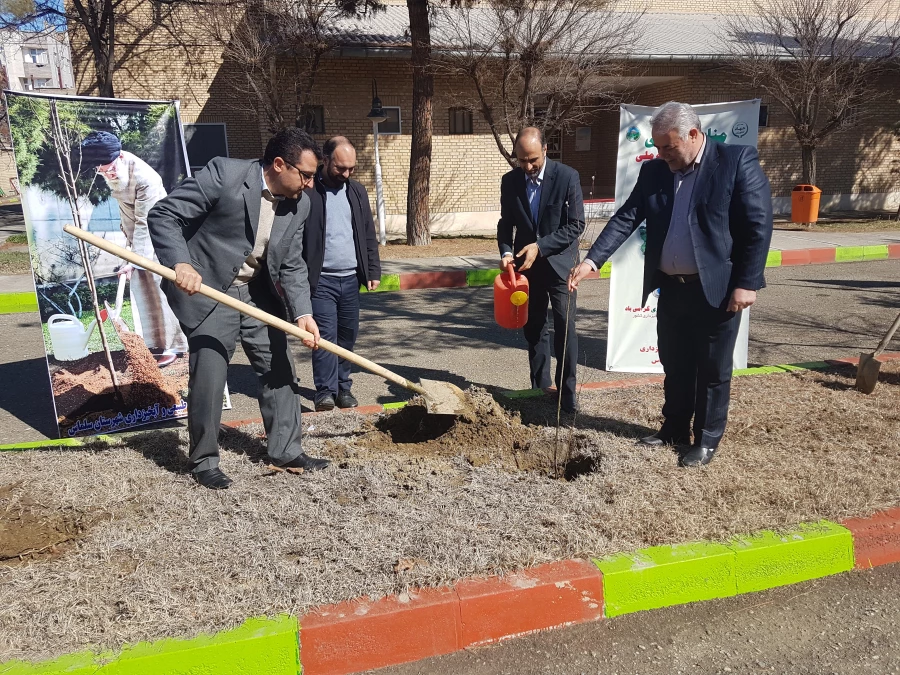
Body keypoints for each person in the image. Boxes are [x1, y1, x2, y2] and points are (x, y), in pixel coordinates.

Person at [569, 102, 773, 467]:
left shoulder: (735, 162)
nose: (661, 154)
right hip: (673, 288)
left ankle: (707, 439)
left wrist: (747, 283)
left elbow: (758, 226)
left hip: (719, 290)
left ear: (693, 135)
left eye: (668, 147)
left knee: (712, 369)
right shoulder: (655, 171)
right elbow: (626, 217)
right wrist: (591, 260)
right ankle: (675, 428)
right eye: (658, 147)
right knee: (676, 363)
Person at [147, 128, 330, 489]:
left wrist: (303, 314)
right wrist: (181, 262)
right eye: (305, 175)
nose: (310, 184)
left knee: (280, 366)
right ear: (279, 164)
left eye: (313, 176)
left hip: (256, 292)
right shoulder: (224, 174)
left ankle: (286, 450)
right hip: (210, 290)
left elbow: (291, 264)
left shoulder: (300, 204)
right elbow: (164, 215)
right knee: (211, 374)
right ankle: (203, 461)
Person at [81, 130, 188, 366]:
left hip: (160, 238)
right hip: (137, 239)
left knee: (161, 292)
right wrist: (129, 252)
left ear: (119, 157)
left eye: (109, 168)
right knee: (142, 290)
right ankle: (153, 343)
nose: (106, 173)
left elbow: (145, 223)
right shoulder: (116, 171)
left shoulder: (144, 178)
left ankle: (174, 346)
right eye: (101, 170)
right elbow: (128, 216)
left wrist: (134, 259)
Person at [497, 127, 585, 413]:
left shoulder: (567, 176)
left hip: (561, 266)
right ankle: (539, 386)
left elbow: (576, 225)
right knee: (534, 327)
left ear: (546, 149)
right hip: (526, 269)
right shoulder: (510, 182)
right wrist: (507, 252)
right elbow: (504, 224)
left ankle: (567, 393)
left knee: (565, 328)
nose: (528, 166)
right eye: (522, 160)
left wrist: (541, 246)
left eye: (533, 159)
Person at [303, 136, 381, 412]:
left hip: (350, 279)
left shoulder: (357, 191)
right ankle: (325, 391)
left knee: (347, 337)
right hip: (321, 280)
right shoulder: (310, 191)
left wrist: (372, 270)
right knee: (324, 337)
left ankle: (343, 388)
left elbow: (368, 234)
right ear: (326, 161)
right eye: (340, 168)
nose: (346, 174)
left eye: (351, 169)